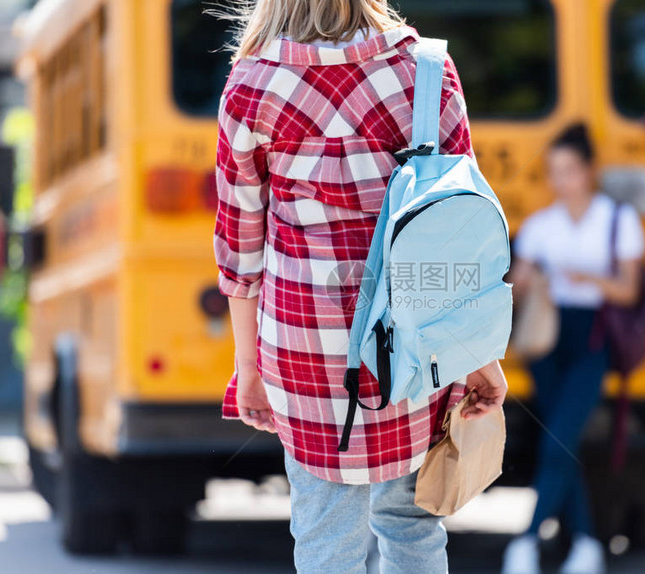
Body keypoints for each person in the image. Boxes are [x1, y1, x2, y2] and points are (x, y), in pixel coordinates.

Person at [211, 1, 508, 573]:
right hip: (414, 340)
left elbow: (240, 247)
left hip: (302, 347)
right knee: (412, 526)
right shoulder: (425, 70)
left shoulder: (250, 84)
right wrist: (477, 354)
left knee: (326, 539)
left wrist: (247, 367)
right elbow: (459, 228)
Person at [502, 124, 645, 574]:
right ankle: (585, 545)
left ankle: (526, 542)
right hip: (546, 339)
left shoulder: (617, 219)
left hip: (592, 338)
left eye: (569, 170)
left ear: (589, 171)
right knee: (560, 441)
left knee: (558, 440)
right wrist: (520, 284)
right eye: (553, 171)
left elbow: (628, 290)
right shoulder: (542, 225)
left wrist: (590, 279)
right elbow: (515, 291)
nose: (560, 180)